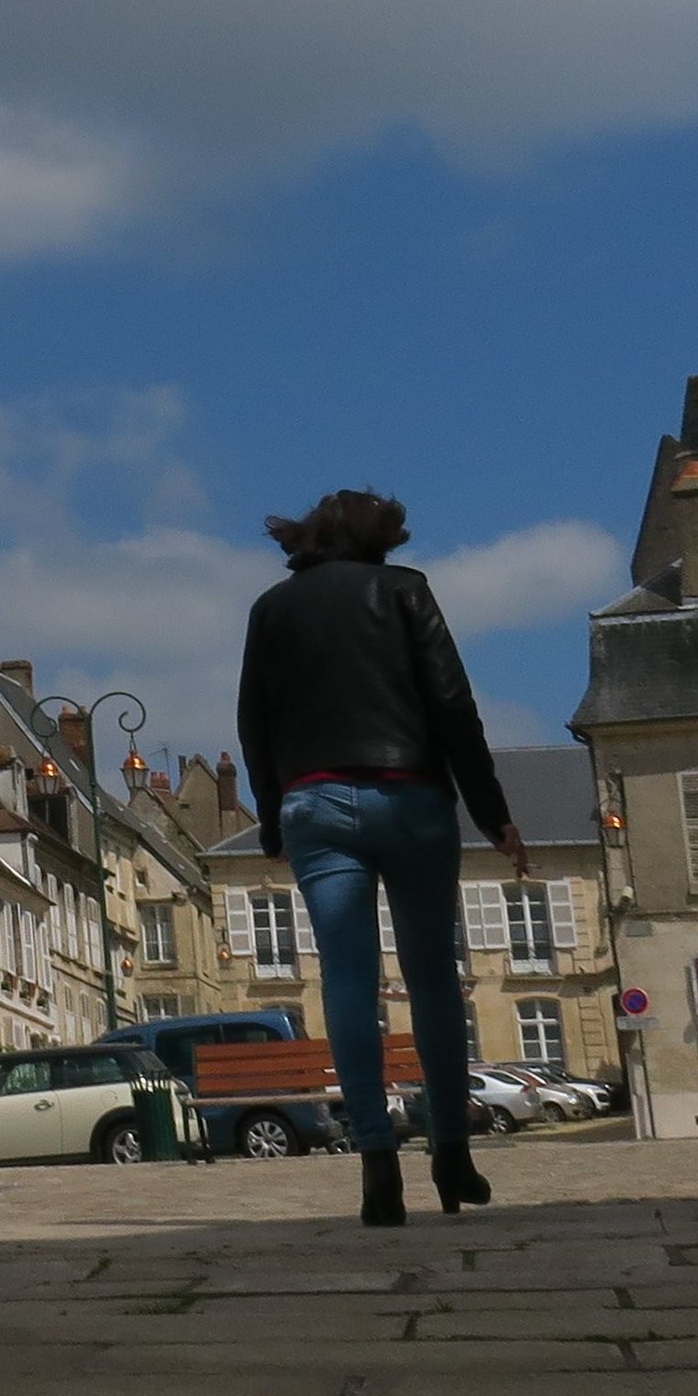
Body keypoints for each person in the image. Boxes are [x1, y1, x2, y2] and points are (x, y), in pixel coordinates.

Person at [235, 486, 519, 1227]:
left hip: (317, 805)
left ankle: (376, 1167)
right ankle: (452, 1152)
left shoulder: (270, 609)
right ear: (381, 539)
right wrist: (491, 812)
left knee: (349, 982)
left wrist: (271, 816)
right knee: (431, 977)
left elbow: (254, 725)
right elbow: (454, 704)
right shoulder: (406, 592)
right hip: (413, 796)